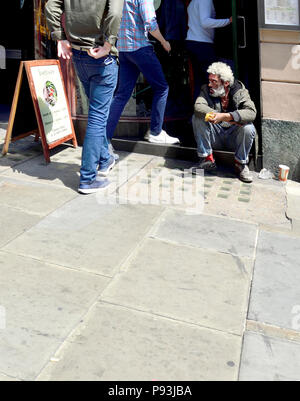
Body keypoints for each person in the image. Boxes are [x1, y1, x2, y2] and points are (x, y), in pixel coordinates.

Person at [45, 0, 124, 194]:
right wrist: (108, 44)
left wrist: (60, 38)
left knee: (97, 114)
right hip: (100, 56)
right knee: (97, 118)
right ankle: (88, 179)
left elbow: (49, 6)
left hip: (80, 55)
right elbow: (115, 14)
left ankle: (105, 159)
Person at [106, 0, 180, 146]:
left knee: (121, 95)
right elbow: (150, 23)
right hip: (140, 48)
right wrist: (164, 42)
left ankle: (104, 137)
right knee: (162, 88)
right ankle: (155, 132)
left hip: (124, 50)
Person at [191, 62, 257, 183]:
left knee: (248, 127)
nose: (210, 84)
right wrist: (219, 117)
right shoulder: (206, 89)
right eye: (209, 80)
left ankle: (240, 164)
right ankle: (207, 159)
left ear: (226, 83)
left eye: (214, 81)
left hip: (234, 138)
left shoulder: (240, 91)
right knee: (197, 118)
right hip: (216, 134)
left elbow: (251, 112)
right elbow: (198, 107)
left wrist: (227, 116)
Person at [186, 0, 231, 101]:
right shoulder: (205, 0)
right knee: (213, 81)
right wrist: (228, 21)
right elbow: (205, 22)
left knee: (200, 82)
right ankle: (211, 112)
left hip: (193, 42)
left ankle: (198, 112)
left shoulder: (193, 1)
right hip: (202, 44)